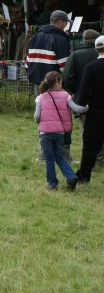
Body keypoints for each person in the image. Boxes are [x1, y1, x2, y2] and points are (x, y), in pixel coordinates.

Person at [27, 10, 72, 160]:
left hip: (38, 83)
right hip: (55, 84)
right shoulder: (61, 39)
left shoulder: (35, 37)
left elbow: (29, 62)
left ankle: (43, 153)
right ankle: (63, 155)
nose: (66, 26)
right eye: (65, 23)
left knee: (43, 118)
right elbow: (65, 67)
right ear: (60, 23)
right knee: (61, 119)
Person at [35, 71, 85, 190]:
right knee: (59, 156)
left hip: (45, 133)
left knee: (49, 159)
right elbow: (76, 108)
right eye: (61, 81)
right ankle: (71, 176)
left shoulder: (40, 98)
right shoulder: (66, 96)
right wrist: (87, 108)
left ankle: (52, 184)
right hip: (60, 132)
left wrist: (40, 123)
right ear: (57, 82)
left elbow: (36, 116)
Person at [63, 29, 103, 168]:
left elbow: (67, 78)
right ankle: (100, 160)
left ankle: (90, 161)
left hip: (83, 99)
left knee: (86, 131)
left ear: (84, 41)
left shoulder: (75, 55)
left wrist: (75, 92)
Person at [76, 35, 104, 184]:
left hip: (96, 113)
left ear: (96, 49)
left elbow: (84, 91)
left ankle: (84, 176)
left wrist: (82, 110)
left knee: (90, 148)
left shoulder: (91, 67)